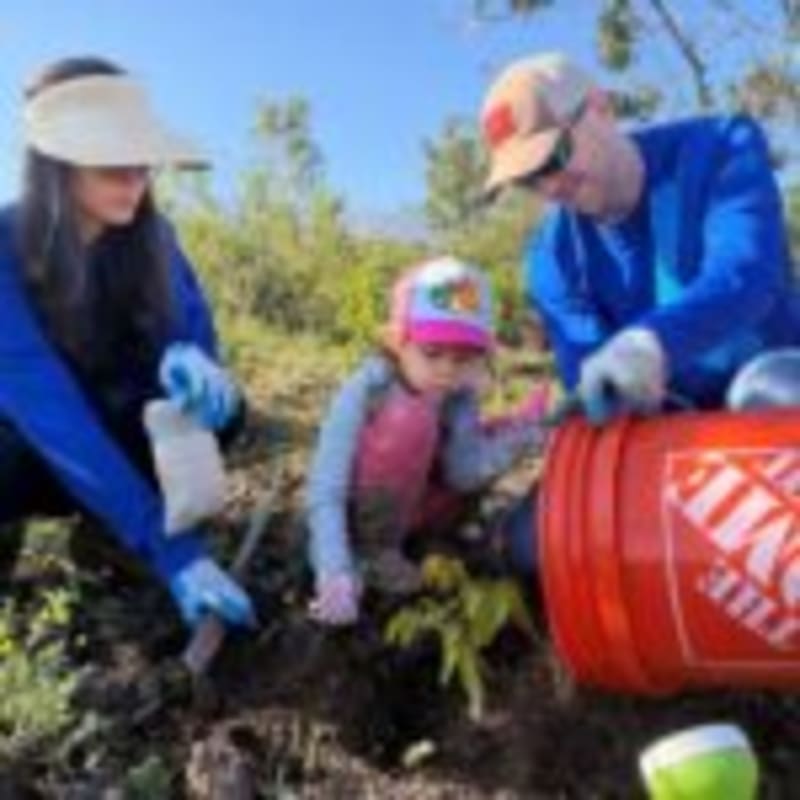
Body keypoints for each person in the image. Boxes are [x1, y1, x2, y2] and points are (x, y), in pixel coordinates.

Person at [0, 55, 255, 631]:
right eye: (112, 163)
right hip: (39, 443)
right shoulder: (4, 248)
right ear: (56, 165)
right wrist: (172, 552)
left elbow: (191, 327)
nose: (136, 180)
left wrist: (192, 359)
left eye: (141, 161)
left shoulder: (153, 237)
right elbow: (51, 416)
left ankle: (107, 532)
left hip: (123, 416)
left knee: (228, 414)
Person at [478, 52, 800, 425]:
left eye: (553, 158)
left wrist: (652, 343)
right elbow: (596, 391)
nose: (550, 187)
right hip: (667, 435)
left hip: (776, 400)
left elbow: (745, 275)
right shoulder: (552, 259)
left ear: (601, 108)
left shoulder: (720, 148)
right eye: (527, 179)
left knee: (770, 387)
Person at [305, 256, 547, 626]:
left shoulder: (457, 392)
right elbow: (326, 487)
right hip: (361, 516)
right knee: (409, 417)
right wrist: (333, 568)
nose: (447, 369)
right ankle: (374, 555)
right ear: (399, 341)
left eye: (464, 357)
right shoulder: (367, 389)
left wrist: (520, 437)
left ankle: (433, 540)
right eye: (432, 353)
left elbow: (464, 471)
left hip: (417, 505)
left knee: (479, 441)